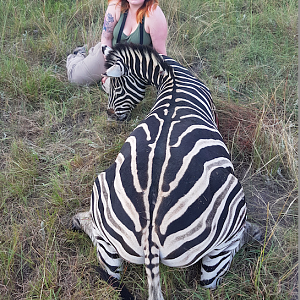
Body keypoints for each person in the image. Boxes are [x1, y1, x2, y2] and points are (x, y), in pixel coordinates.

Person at [66, 0, 168, 86]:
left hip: (135, 66)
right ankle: (78, 54)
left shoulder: (154, 15)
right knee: (76, 79)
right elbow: (106, 39)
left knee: (117, 89)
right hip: (109, 53)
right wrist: (111, 68)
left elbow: (161, 55)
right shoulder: (116, 5)